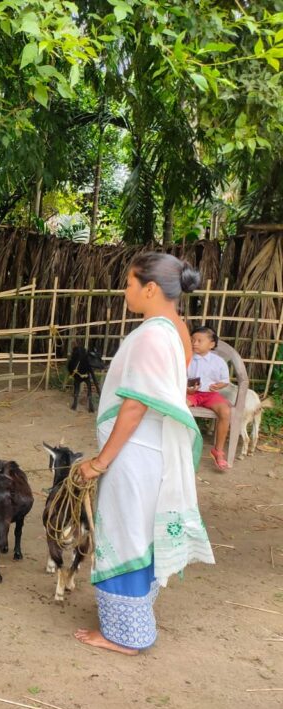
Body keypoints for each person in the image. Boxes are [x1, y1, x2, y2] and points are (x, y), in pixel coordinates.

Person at [76, 252, 214, 655]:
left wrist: (101, 462)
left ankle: (125, 635)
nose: (125, 291)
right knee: (136, 532)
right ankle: (130, 623)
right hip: (149, 451)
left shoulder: (154, 334)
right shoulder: (176, 329)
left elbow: (136, 405)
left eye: (129, 283)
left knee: (125, 534)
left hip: (134, 453)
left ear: (150, 288)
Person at [187, 326, 232, 471]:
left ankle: (218, 451)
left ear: (211, 344)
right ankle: (181, 445)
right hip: (190, 393)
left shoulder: (218, 362)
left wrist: (220, 385)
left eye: (200, 341)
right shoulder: (186, 358)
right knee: (180, 407)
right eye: (193, 340)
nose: (195, 343)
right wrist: (186, 389)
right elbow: (178, 377)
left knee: (225, 412)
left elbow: (225, 380)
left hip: (210, 394)